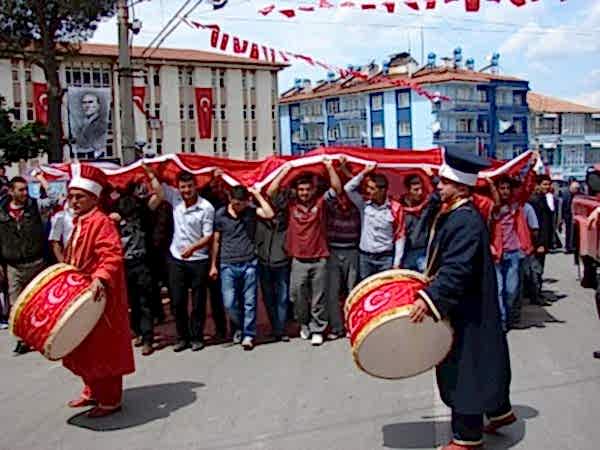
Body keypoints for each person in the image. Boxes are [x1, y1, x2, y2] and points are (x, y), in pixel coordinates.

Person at [409, 149, 515, 450]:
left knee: (466, 368)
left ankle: (467, 438)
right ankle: (499, 411)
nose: (438, 187)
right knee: (485, 360)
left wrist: (429, 298)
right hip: (471, 304)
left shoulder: (465, 221)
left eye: (444, 183)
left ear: (461, 187)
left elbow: (456, 269)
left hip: (466, 309)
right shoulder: (455, 213)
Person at [62, 163, 135, 418]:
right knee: (83, 346)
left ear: (94, 198)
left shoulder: (101, 222)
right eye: (71, 196)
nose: (73, 201)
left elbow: (111, 255)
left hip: (100, 297)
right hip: (82, 295)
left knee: (103, 348)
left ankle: (111, 399)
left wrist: (100, 278)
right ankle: (92, 389)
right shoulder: (81, 221)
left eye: (79, 197)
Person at [267, 159, 342, 346]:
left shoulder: (321, 203)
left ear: (313, 190)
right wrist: (285, 170)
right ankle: (304, 323)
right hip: (298, 259)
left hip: (320, 258)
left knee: (319, 297)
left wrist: (329, 167)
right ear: (296, 191)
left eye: (307, 189)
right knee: (297, 296)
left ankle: (318, 329)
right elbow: (271, 192)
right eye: (301, 190)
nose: (304, 193)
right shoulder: (290, 205)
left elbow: (337, 189)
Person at [153, 170, 215, 352]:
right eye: (183, 187)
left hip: (198, 259)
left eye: (189, 186)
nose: (186, 190)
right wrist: (151, 172)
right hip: (177, 259)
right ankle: (182, 337)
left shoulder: (206, 207)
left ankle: (197, 337)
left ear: (196, 186)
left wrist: (192, 248)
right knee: (177, 301)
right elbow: (159, 189)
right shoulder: (176, 198)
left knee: (198, 302)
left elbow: (208, 236)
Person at [209, 185, 274, 350]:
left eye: (242, 203)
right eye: (236, 203)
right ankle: (239, 326)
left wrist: (257, 195)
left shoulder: (250, 211)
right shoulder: (220, 214)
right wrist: (213, 265)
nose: (239, 206)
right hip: (227, 264)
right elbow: (216, 240)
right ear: (230, 199)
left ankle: (248, 334)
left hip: (249, 262)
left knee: (250, 302)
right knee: (229, 302)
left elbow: (269, 214)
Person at [0, 172, 58, 354]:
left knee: (39, 302)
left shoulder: (34, 206)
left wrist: (42, 180)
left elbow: (54, 200)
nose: (25, 193)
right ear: (11, 192)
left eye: (26, 189)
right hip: (13, 265)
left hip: (36, 263)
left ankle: (42, 335)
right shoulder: (1, 212)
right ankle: (22, 339)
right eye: (21, 190)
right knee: (17, 306)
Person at [109, 171, 162, 357]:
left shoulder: (143, 208)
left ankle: (147, 338)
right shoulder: (112, 211)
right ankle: (138, 331)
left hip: (142, 262)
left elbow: (159, 195)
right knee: (131, 302)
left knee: (144, 300)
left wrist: (151, 175)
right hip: (122, 263)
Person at [344, 164, 405, 279]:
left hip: (386, 259)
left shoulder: (395, 208)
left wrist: (397, 262)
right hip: (365, 258)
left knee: (384, 287)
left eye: (372, 188)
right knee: (366, 287)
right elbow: (348, 188)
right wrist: (365, 172)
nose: (368, 191)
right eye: (368, 187)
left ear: (382, 190)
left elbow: (400, 236)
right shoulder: (364, 204)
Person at [490, 176, 536, 331]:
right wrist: (490, 184)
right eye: (501, 188)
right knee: (498, 290)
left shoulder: (515, 204)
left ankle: (509, 317)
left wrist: (532, 168)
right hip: (496, 254)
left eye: (507, 188)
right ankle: (502, 322)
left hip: (514, 253)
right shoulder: (490, 206)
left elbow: (527, 188)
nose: (505, 191)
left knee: (511, 290)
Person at [324, 156, 361, 339]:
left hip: (353, 251)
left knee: (352, 292)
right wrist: (331, 167)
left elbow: (357, 184)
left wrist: (345, 169)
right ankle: (337, 327)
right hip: (333, 252)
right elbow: (337, 188)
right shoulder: (329, 203)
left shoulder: (358, 202)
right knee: (332, 292)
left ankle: (351, 326)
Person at [255, 183, 291, 342]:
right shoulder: (258, 212)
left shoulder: (285, 214)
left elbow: (272, 195)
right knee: (268, 297)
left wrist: (285, 171)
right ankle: (275, 327)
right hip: (264, 261)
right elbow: (267, 212)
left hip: (281, 260)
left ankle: (280, 330)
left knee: (282, 297)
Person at [529, 174, 556, 300]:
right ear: (537, 185)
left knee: (539, 268)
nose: (547, 187)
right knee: (536, 269)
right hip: (537, 242)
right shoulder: (535, 200)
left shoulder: (543, 198)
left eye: (548, 184)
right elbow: (537, 225)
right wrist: (539, 243)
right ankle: (535, 295)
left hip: (543, 241)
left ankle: (537, 293)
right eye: (544, 184)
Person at [401, 173, 430, 272]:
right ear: (407, 190)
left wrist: (431, 176)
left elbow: (439, 193)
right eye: (416, 190)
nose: (420, 192)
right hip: (405, 253)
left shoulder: (428, 205)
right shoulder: (398, 207)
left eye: (421, 189)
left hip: (423, 252)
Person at [73, 92, 108, 159]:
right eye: (84, 103)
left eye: (90, 102)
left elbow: (86, 143)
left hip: (97, 157)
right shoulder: (82, 124)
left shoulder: (101, 124)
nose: (87, 106)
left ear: (98, 105)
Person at [561, 180, 581, 254]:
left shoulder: (579, 194)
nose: (576, 190)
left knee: (575, 232)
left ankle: (573, 246)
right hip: (568, 215)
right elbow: (563, 206)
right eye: (575, 189)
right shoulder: (566, 194)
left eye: (577, 189)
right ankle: (568, 247)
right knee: (568, 231)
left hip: (576, 215)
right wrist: (562, 218)